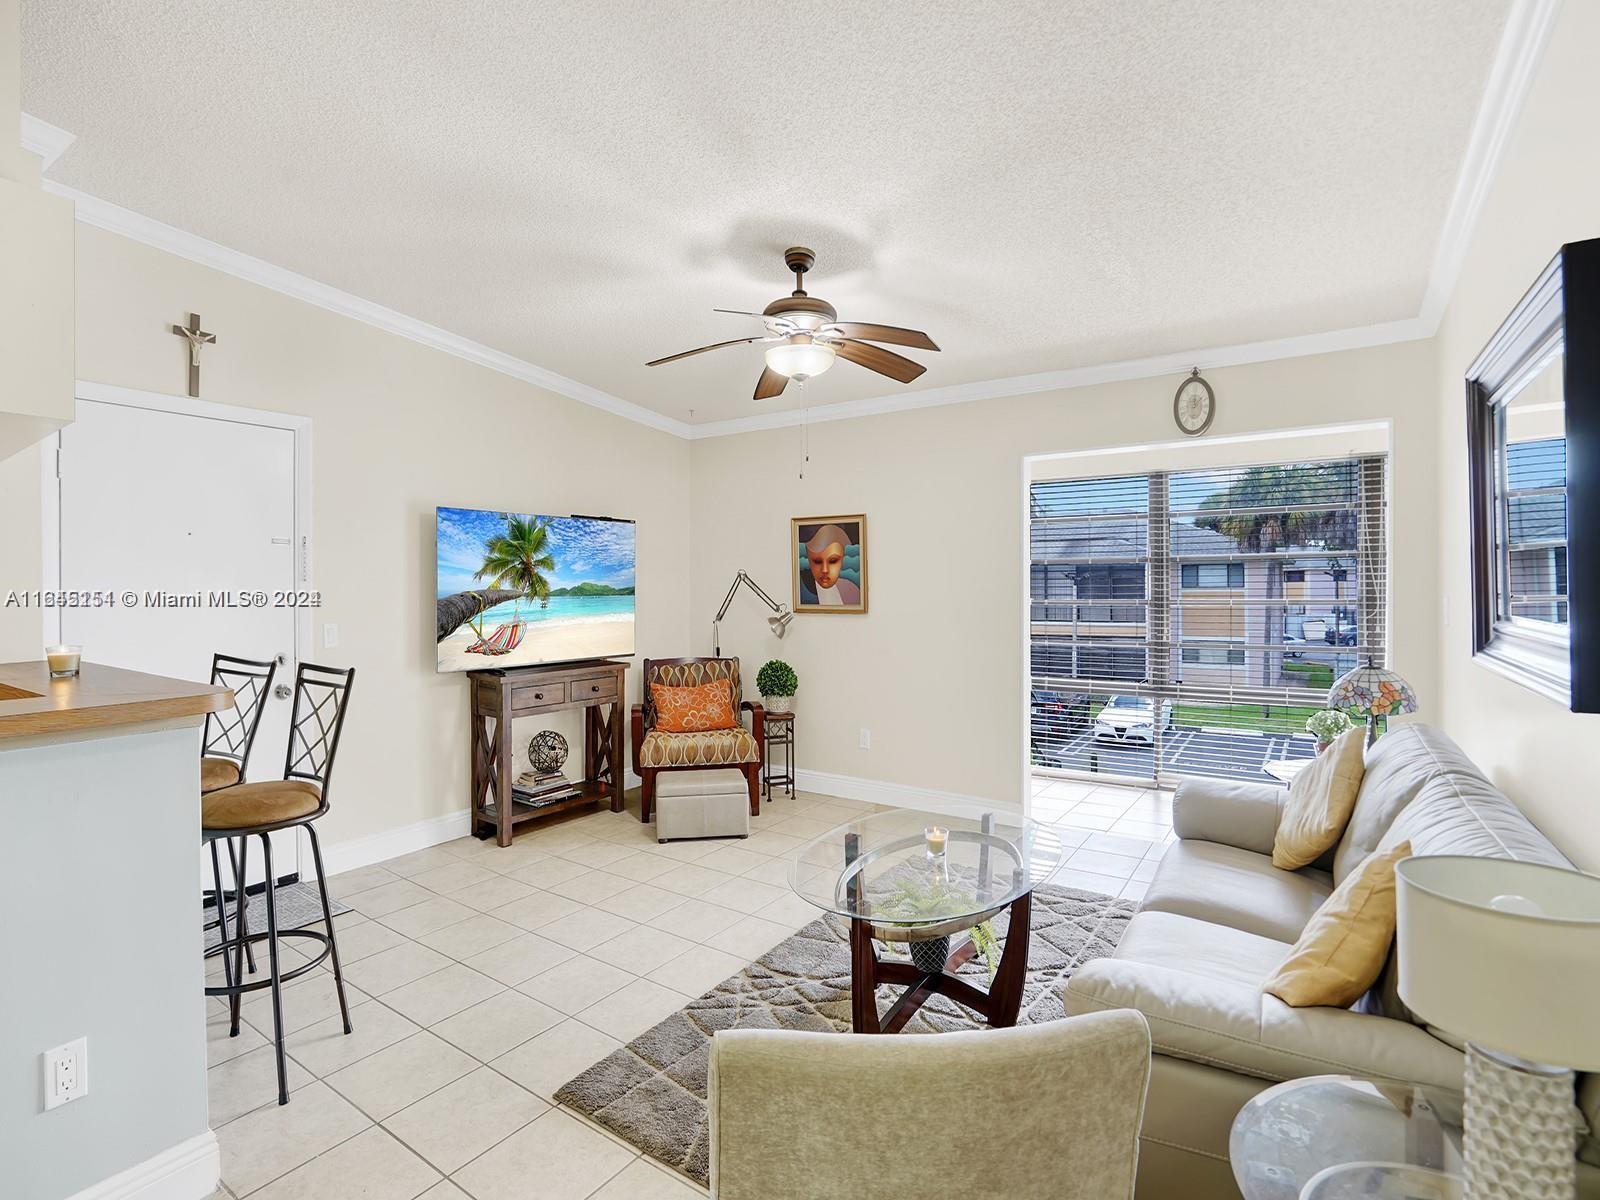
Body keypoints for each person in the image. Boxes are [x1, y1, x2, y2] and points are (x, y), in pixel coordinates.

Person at [799, 523, 860, 606]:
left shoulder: (852, 591)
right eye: (817, 561)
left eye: (833, 561)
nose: (825, 570)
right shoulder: (801, 593)